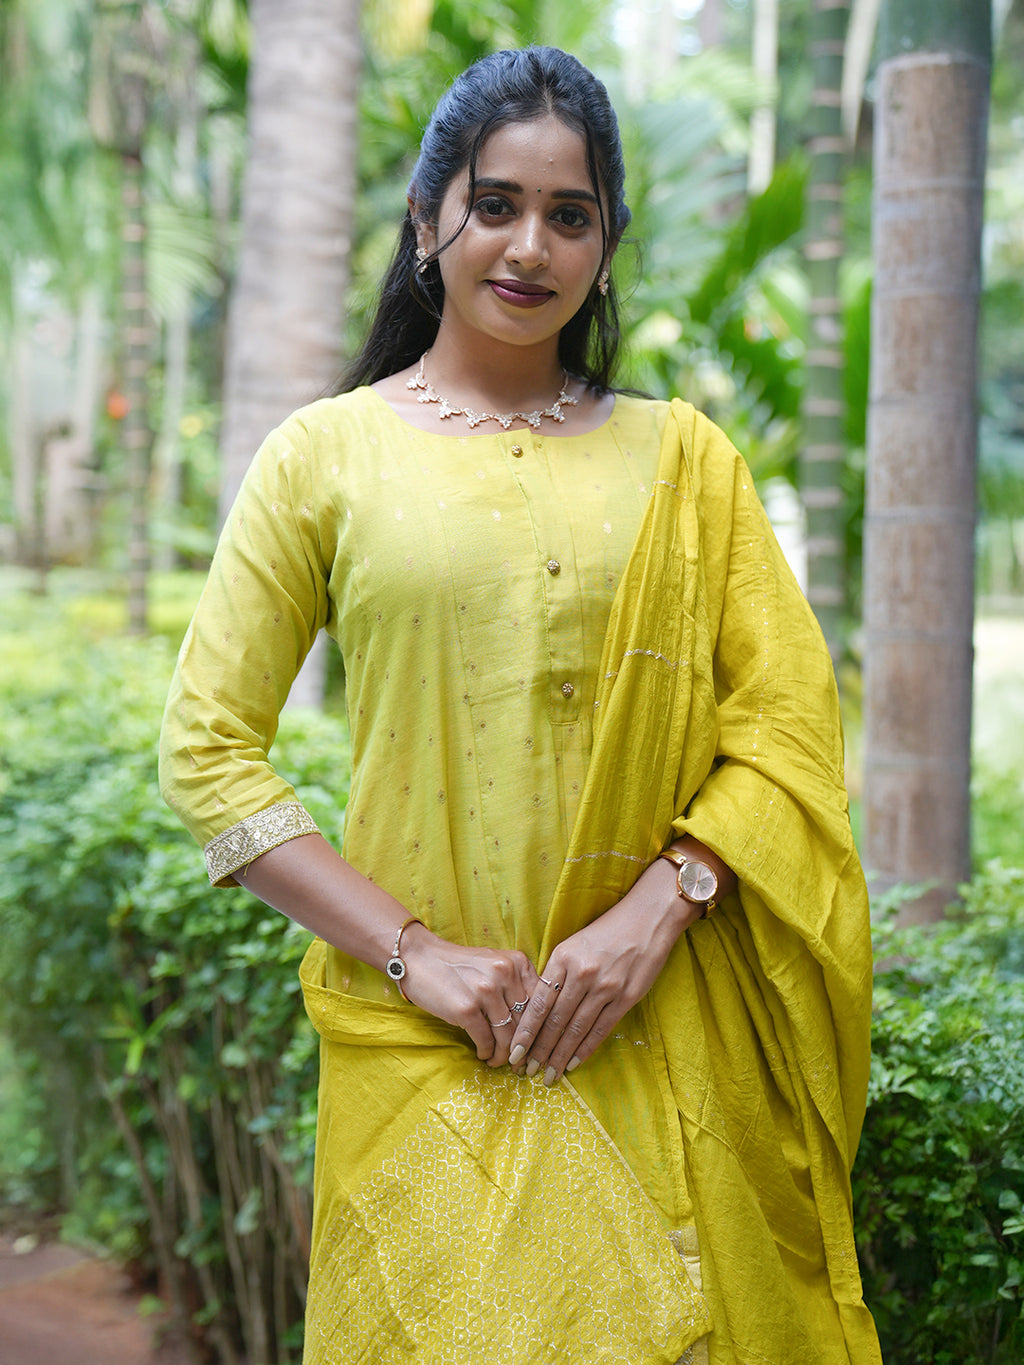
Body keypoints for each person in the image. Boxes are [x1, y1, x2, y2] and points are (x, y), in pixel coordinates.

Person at [160, 45, 881, 1365]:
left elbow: (784, 723)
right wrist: (415, 954)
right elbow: (208, 753)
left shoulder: (688, 461)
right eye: (495, 204)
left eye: (571, 214)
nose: (530, 246)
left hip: (656, 1035)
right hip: (423, 1051)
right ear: (426, 220)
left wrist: (665, 904)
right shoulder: (323, 457)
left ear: (607, 247)